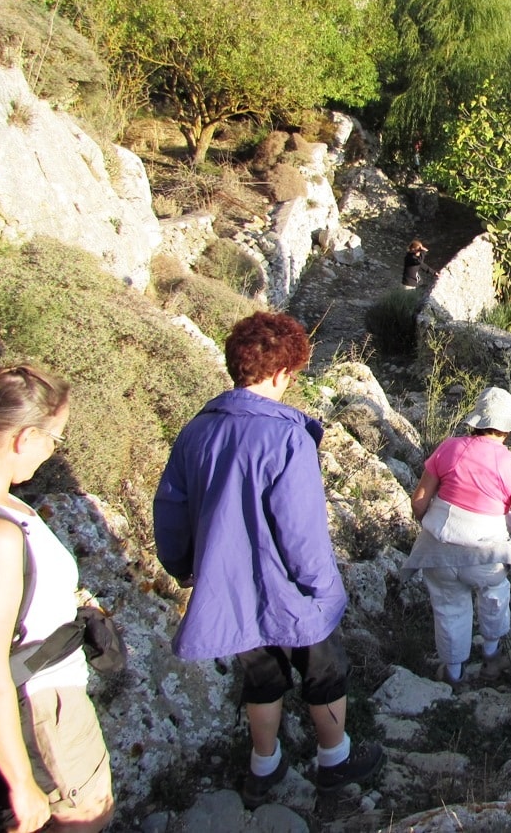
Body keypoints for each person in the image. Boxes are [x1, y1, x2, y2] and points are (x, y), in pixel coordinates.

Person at [152, 312, 384, 808]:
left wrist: (182, 565)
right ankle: (334, 760)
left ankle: (264, 767)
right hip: (289, 591)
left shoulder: (196, 432)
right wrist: (324, 590)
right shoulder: (287, 437)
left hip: (226, 586)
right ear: (282, 372)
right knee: (324, 671)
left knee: (261, 676)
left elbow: (171, 508)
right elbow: (300, 531)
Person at [0, 364, 114, 833]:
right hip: (39, 707)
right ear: (25, 438)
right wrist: (20, 783)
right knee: (84, 818)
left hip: (29, 695)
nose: (53, 452)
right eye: (55, 440)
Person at [404, 387, 511, 688]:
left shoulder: (450, 448)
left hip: (438, 550)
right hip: (486, 554)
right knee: (494, 595)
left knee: (449, 608)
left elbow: (419, 501)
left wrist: (434, 526)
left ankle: (453, 674)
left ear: (476, 421)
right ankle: (492, 657)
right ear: (508, 428)